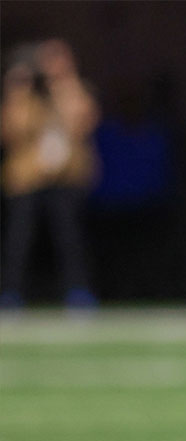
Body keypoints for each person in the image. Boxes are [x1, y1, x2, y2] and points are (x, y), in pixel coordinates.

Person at [0, 40, 100, 308]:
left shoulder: (71, 90)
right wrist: (17, 88)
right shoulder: (26, 96)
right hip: (27, 180)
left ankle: (78, 292)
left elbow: (82, 120)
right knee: (19, 239)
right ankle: (10, 293)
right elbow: (11, 131)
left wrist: (64, 80)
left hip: (65, 178)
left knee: (69, 238)